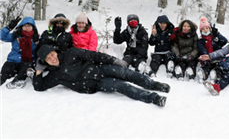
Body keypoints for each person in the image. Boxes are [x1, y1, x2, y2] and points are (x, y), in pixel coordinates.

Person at [32, 45, 170, 107]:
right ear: (44, 61)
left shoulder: (71, 52)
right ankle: (153, 98)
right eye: (48, 58)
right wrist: (38, 70)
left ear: (55, 52)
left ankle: (152, 84)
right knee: (122, 86)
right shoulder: (54, 75)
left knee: (126, 73)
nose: (52, 58)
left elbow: (94, 55)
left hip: (100, 69)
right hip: (95, 84)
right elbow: (39, 87)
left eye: (52, 54)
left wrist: (114, 60)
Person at [0, 16, 39, 88]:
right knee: (4, 74)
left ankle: (18, 81)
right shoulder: (15, 35)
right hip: (13, 60)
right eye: (25, 25)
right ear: (21, 26)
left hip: (27, 61)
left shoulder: (36, 38)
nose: (27, 27)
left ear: (33, 27)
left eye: (29, 25)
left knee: (25, 70)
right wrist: (9, 27)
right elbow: (2, 37)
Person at [197, 17, 228, 83]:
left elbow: (224, 41)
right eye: (203, 29)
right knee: (206, 66)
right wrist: (207, 56)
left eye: (207, 28)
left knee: (219, 66)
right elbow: (202, 49)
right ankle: (203, 74)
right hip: (207, 59)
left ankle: (216, 75)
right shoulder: (200, 40)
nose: (205, 30)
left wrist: (217, 33)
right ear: (201, 31)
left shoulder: (215, 37)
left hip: (217, 57)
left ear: (210, 29)